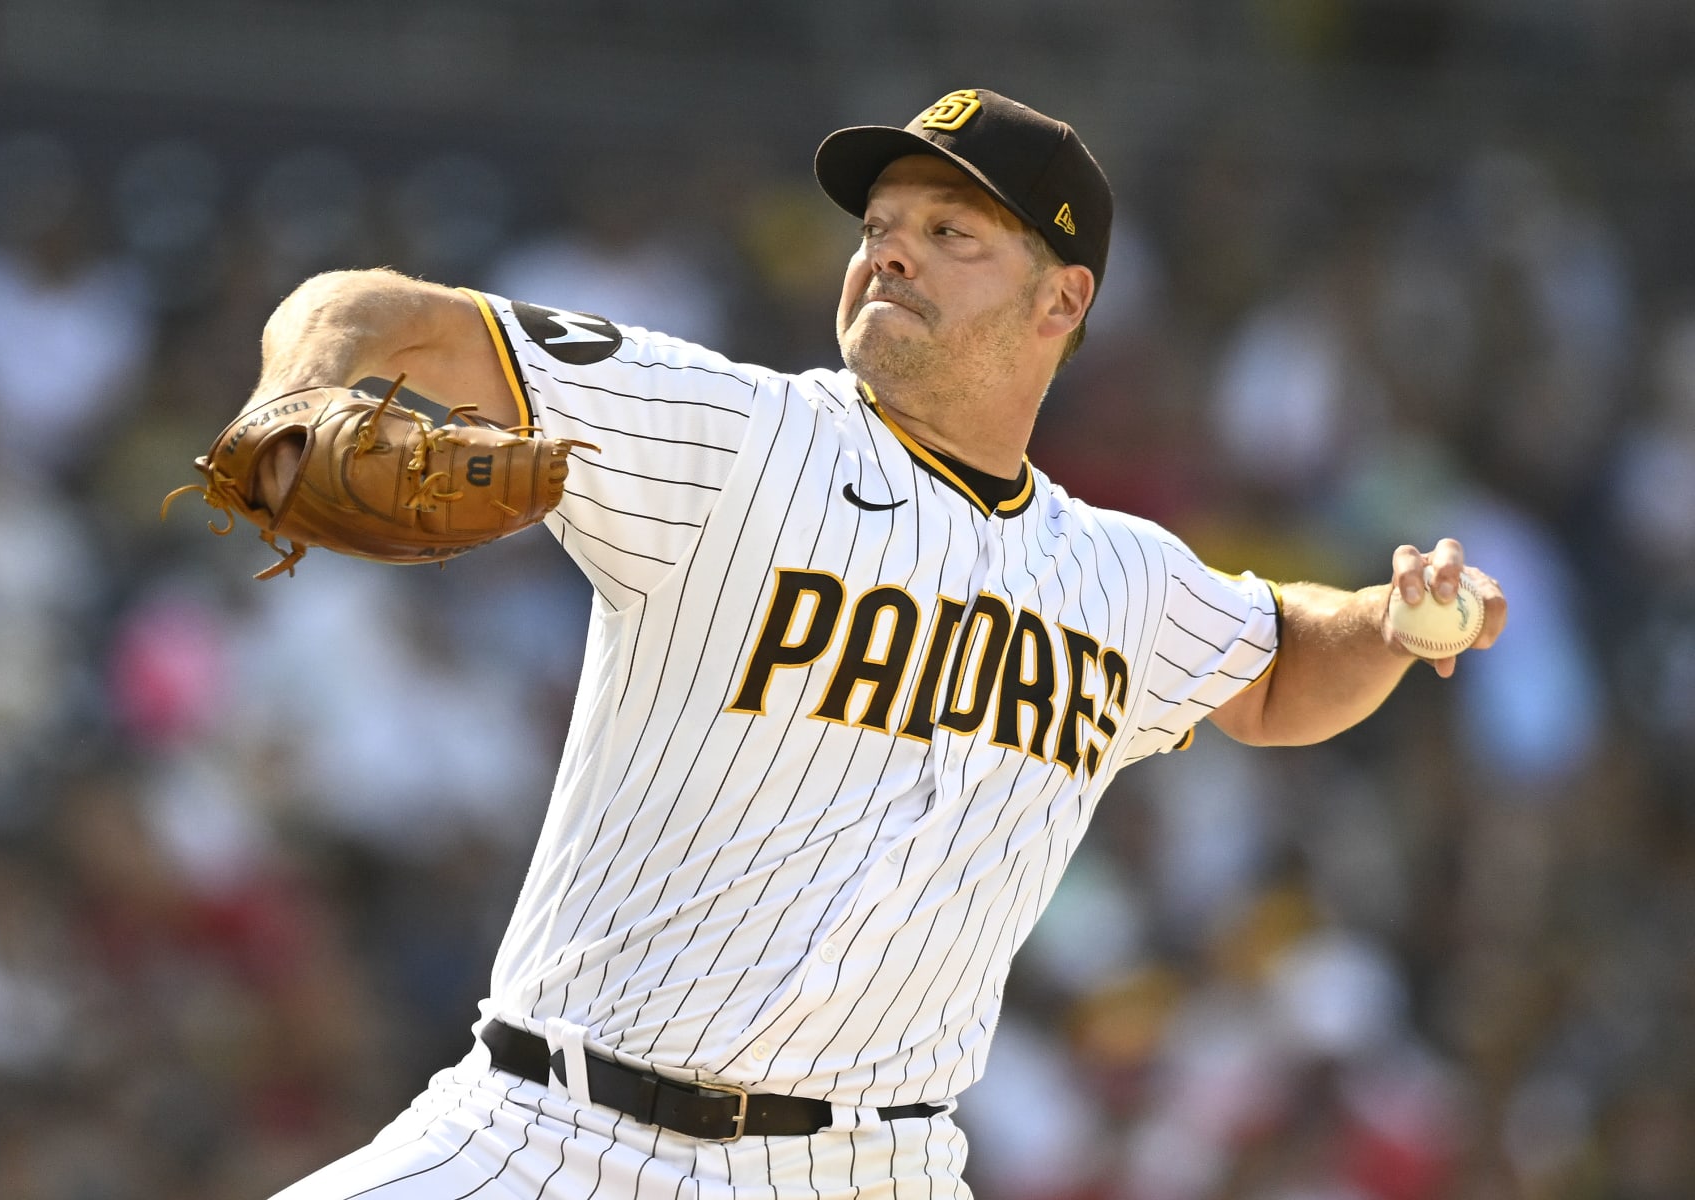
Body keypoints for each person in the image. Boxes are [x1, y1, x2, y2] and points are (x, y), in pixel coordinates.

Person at [244, 88, 1506, 1199]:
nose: (891, 257)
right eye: (879, 231)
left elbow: (1282, 666)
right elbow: (371, 308)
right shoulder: (735, 435)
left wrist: (1387, 625)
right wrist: (303, 398)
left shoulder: (1123, 578)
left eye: (950, 236)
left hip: (870, 1170)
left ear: (1064, 298)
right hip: (552, 1135)